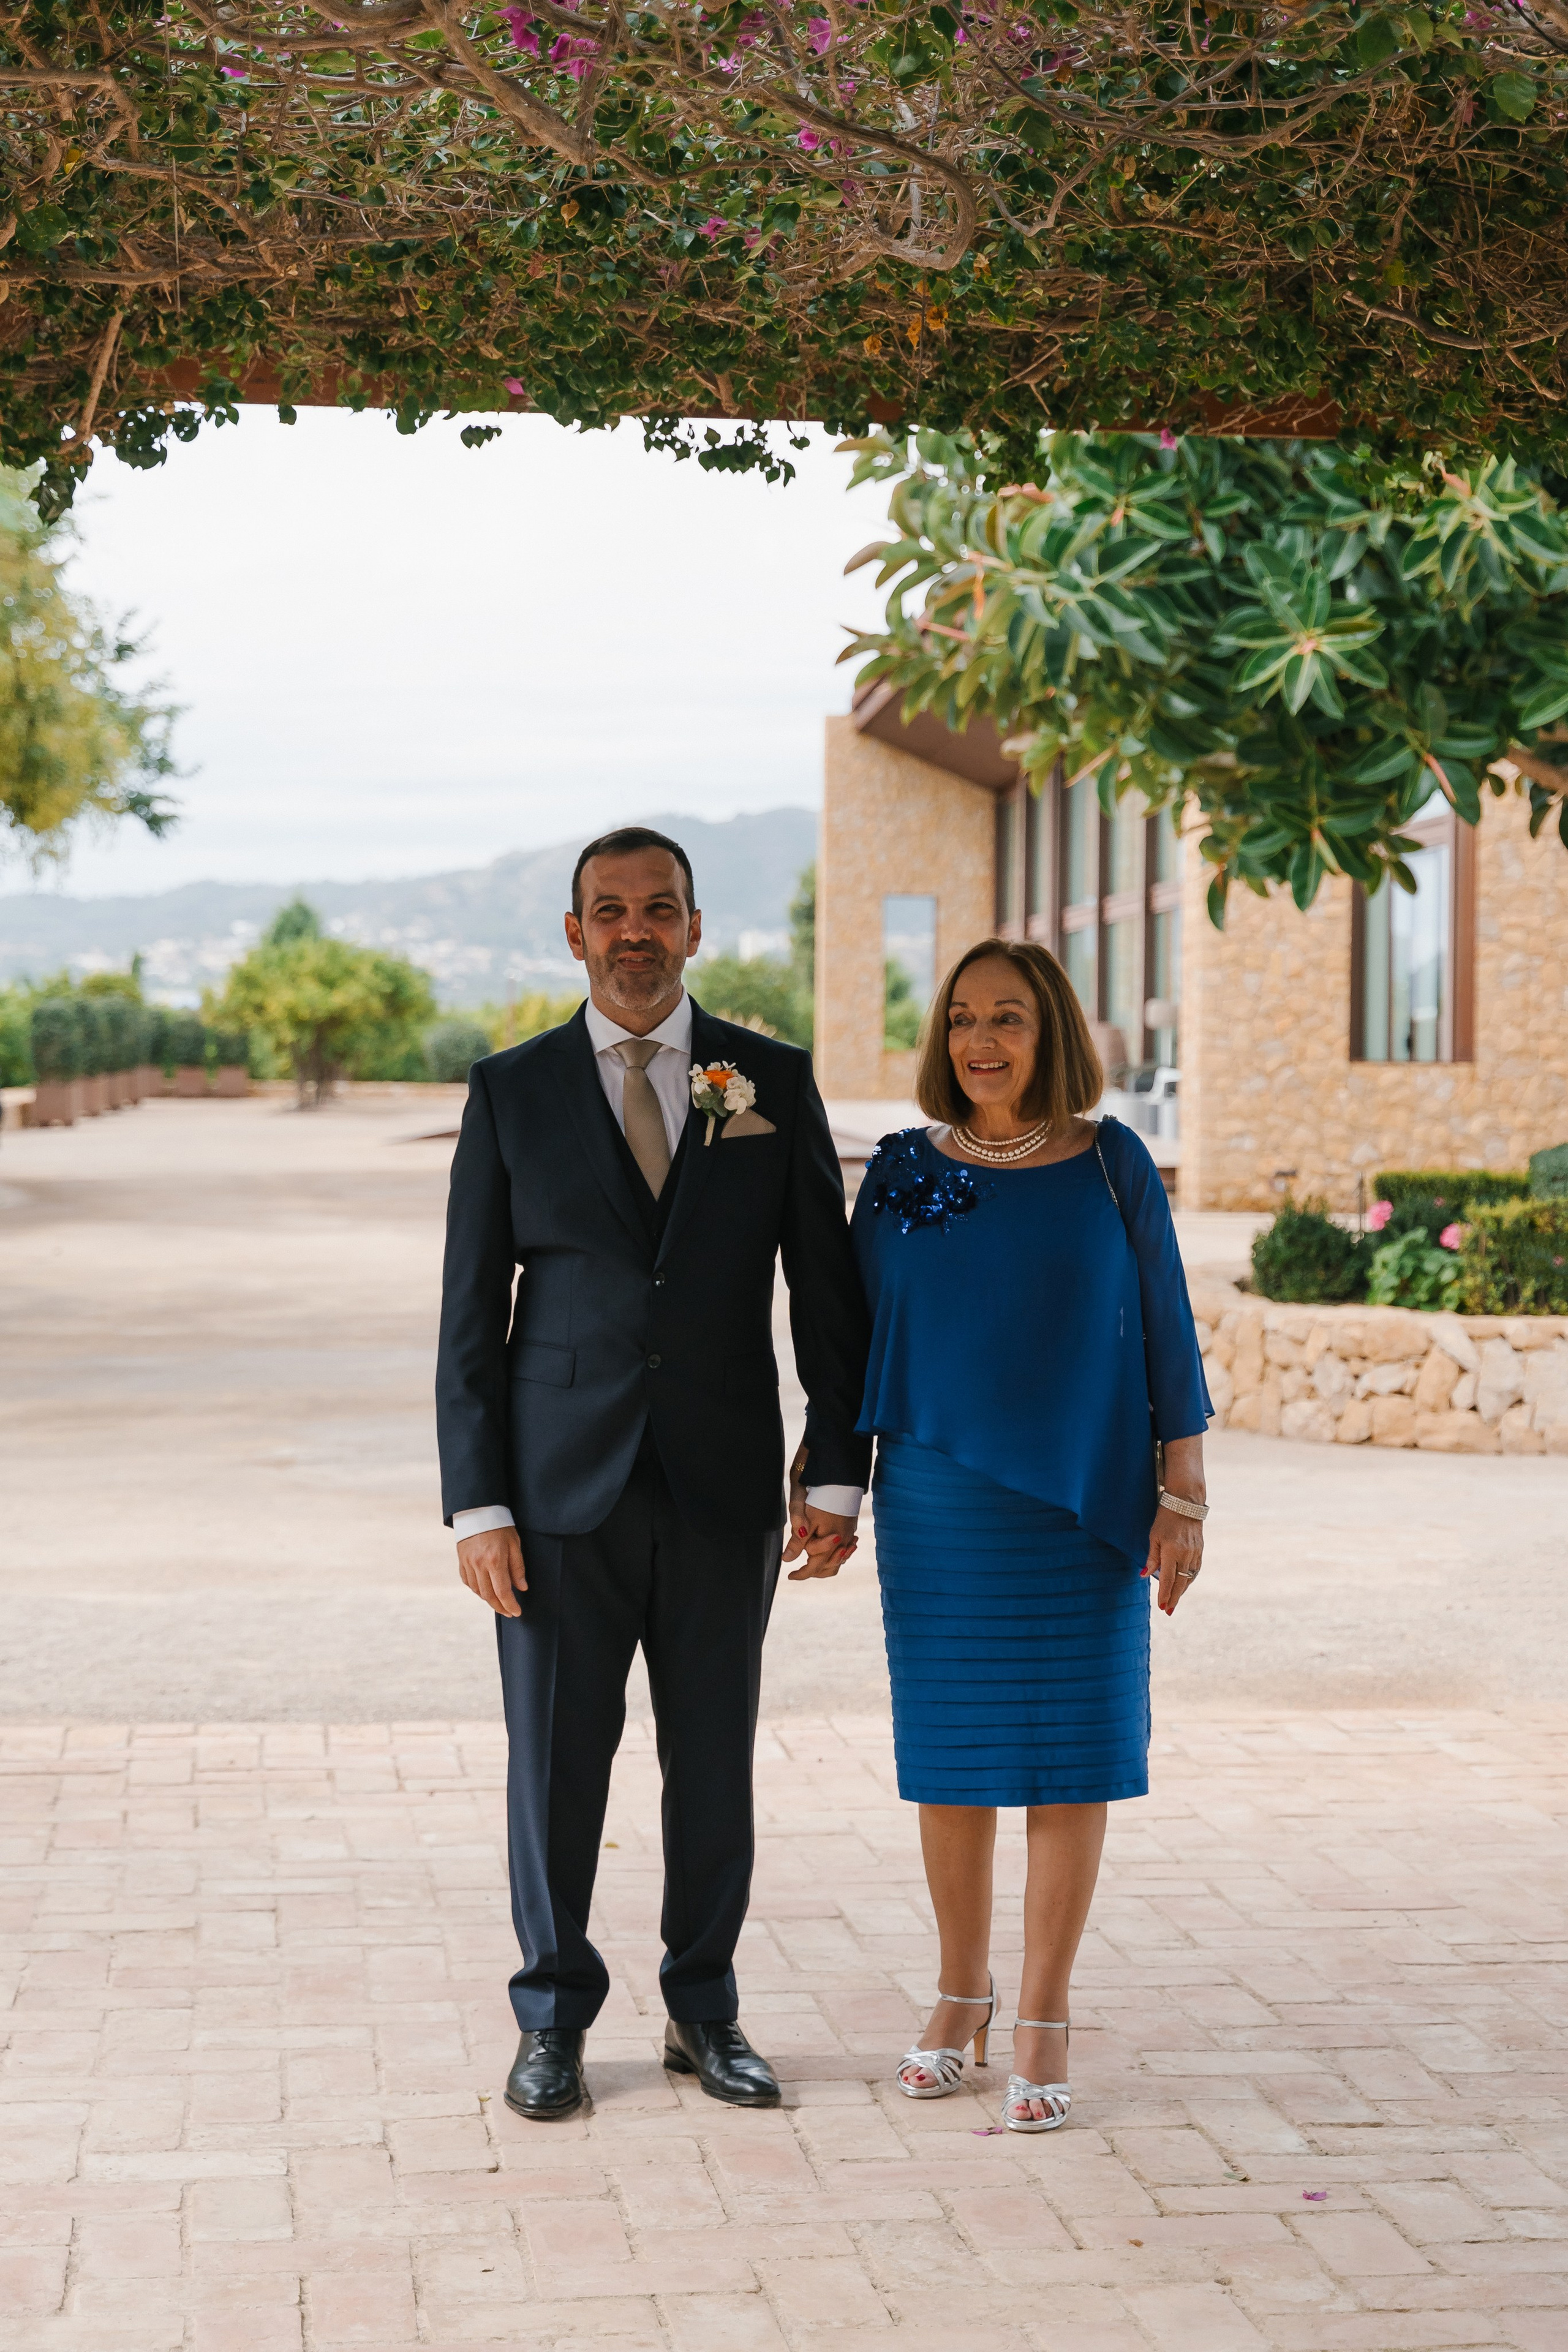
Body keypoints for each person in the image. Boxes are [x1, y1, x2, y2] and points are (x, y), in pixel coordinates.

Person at [437, 826, 870, 2122]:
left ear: (693, 928)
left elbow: (827, 1297)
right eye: (608, 911)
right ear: (574, 935)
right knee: (555, 1766)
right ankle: (552, 2016)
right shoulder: (509, 1091)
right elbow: (469, 1315)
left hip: (722, 1483)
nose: (634, 931)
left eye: (658, 909)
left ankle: (705, 2009)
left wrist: (835, 1471)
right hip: (555, 1493)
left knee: (712, 1761)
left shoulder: (768, 1082)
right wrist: (478, 1500)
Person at [811, 936, 1210, 2134]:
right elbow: (841, 1344)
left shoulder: (1112, 1164)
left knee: (1067, 1757)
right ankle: (955, 1994)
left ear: (1052, 1035)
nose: (980, 1041)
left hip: (1083, 1501)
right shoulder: (895, 1170)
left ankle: (1040, 2009)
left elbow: (1170, 1329)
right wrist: (825, 1482)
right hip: (936, 1499)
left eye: (1009, 1019)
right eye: (961, 1019)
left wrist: (1181, 1492)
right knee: (953, 1758)